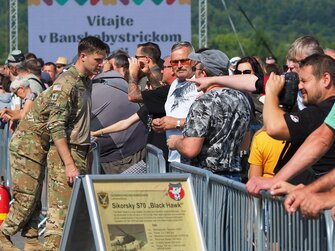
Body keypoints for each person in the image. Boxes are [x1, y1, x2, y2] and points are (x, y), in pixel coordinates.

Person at [0, 36, 108, 251]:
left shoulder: (84, 80)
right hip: (29, 145)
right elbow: (56, 126)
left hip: (44, 144)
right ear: (83, 56)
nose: (101, 64)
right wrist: (69, 163)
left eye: (103, 59)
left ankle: (31, 239)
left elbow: (73, 121)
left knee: (35, 199)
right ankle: (3, 234)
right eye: (97, 59)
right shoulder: (67, 84)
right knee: (27, 197)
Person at [246, 54, 335, 196]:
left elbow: (274, 127)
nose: (300, 86)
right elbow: (319, 140)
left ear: (326, 79)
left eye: (304, 81)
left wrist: (271, 93)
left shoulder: (324, 109)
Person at [167, 49, 251, 181]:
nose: (194, 75)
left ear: (203, 74)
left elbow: (190, 149)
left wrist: (176, 142)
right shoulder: (242, 98)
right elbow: (244, 143)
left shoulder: (204, 102)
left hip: (205, 181)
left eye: (195, 70)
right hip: (234, 180)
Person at [90, 63, 148, 174]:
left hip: (122, 157)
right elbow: (125, 122)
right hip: (134, 148)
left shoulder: (92, 92)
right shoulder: (118, 82)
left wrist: (95, 133)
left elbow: (126, 123)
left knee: (119, 190)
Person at [152, 41, 198, 163]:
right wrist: (162, 124)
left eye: (184, 61)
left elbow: (209, 120)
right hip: (174, 158)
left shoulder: (201, 83)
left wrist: (176, 123)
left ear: (194, 61)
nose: (179, 65)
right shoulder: (175, 83)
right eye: (174, 62)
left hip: (194, 161)